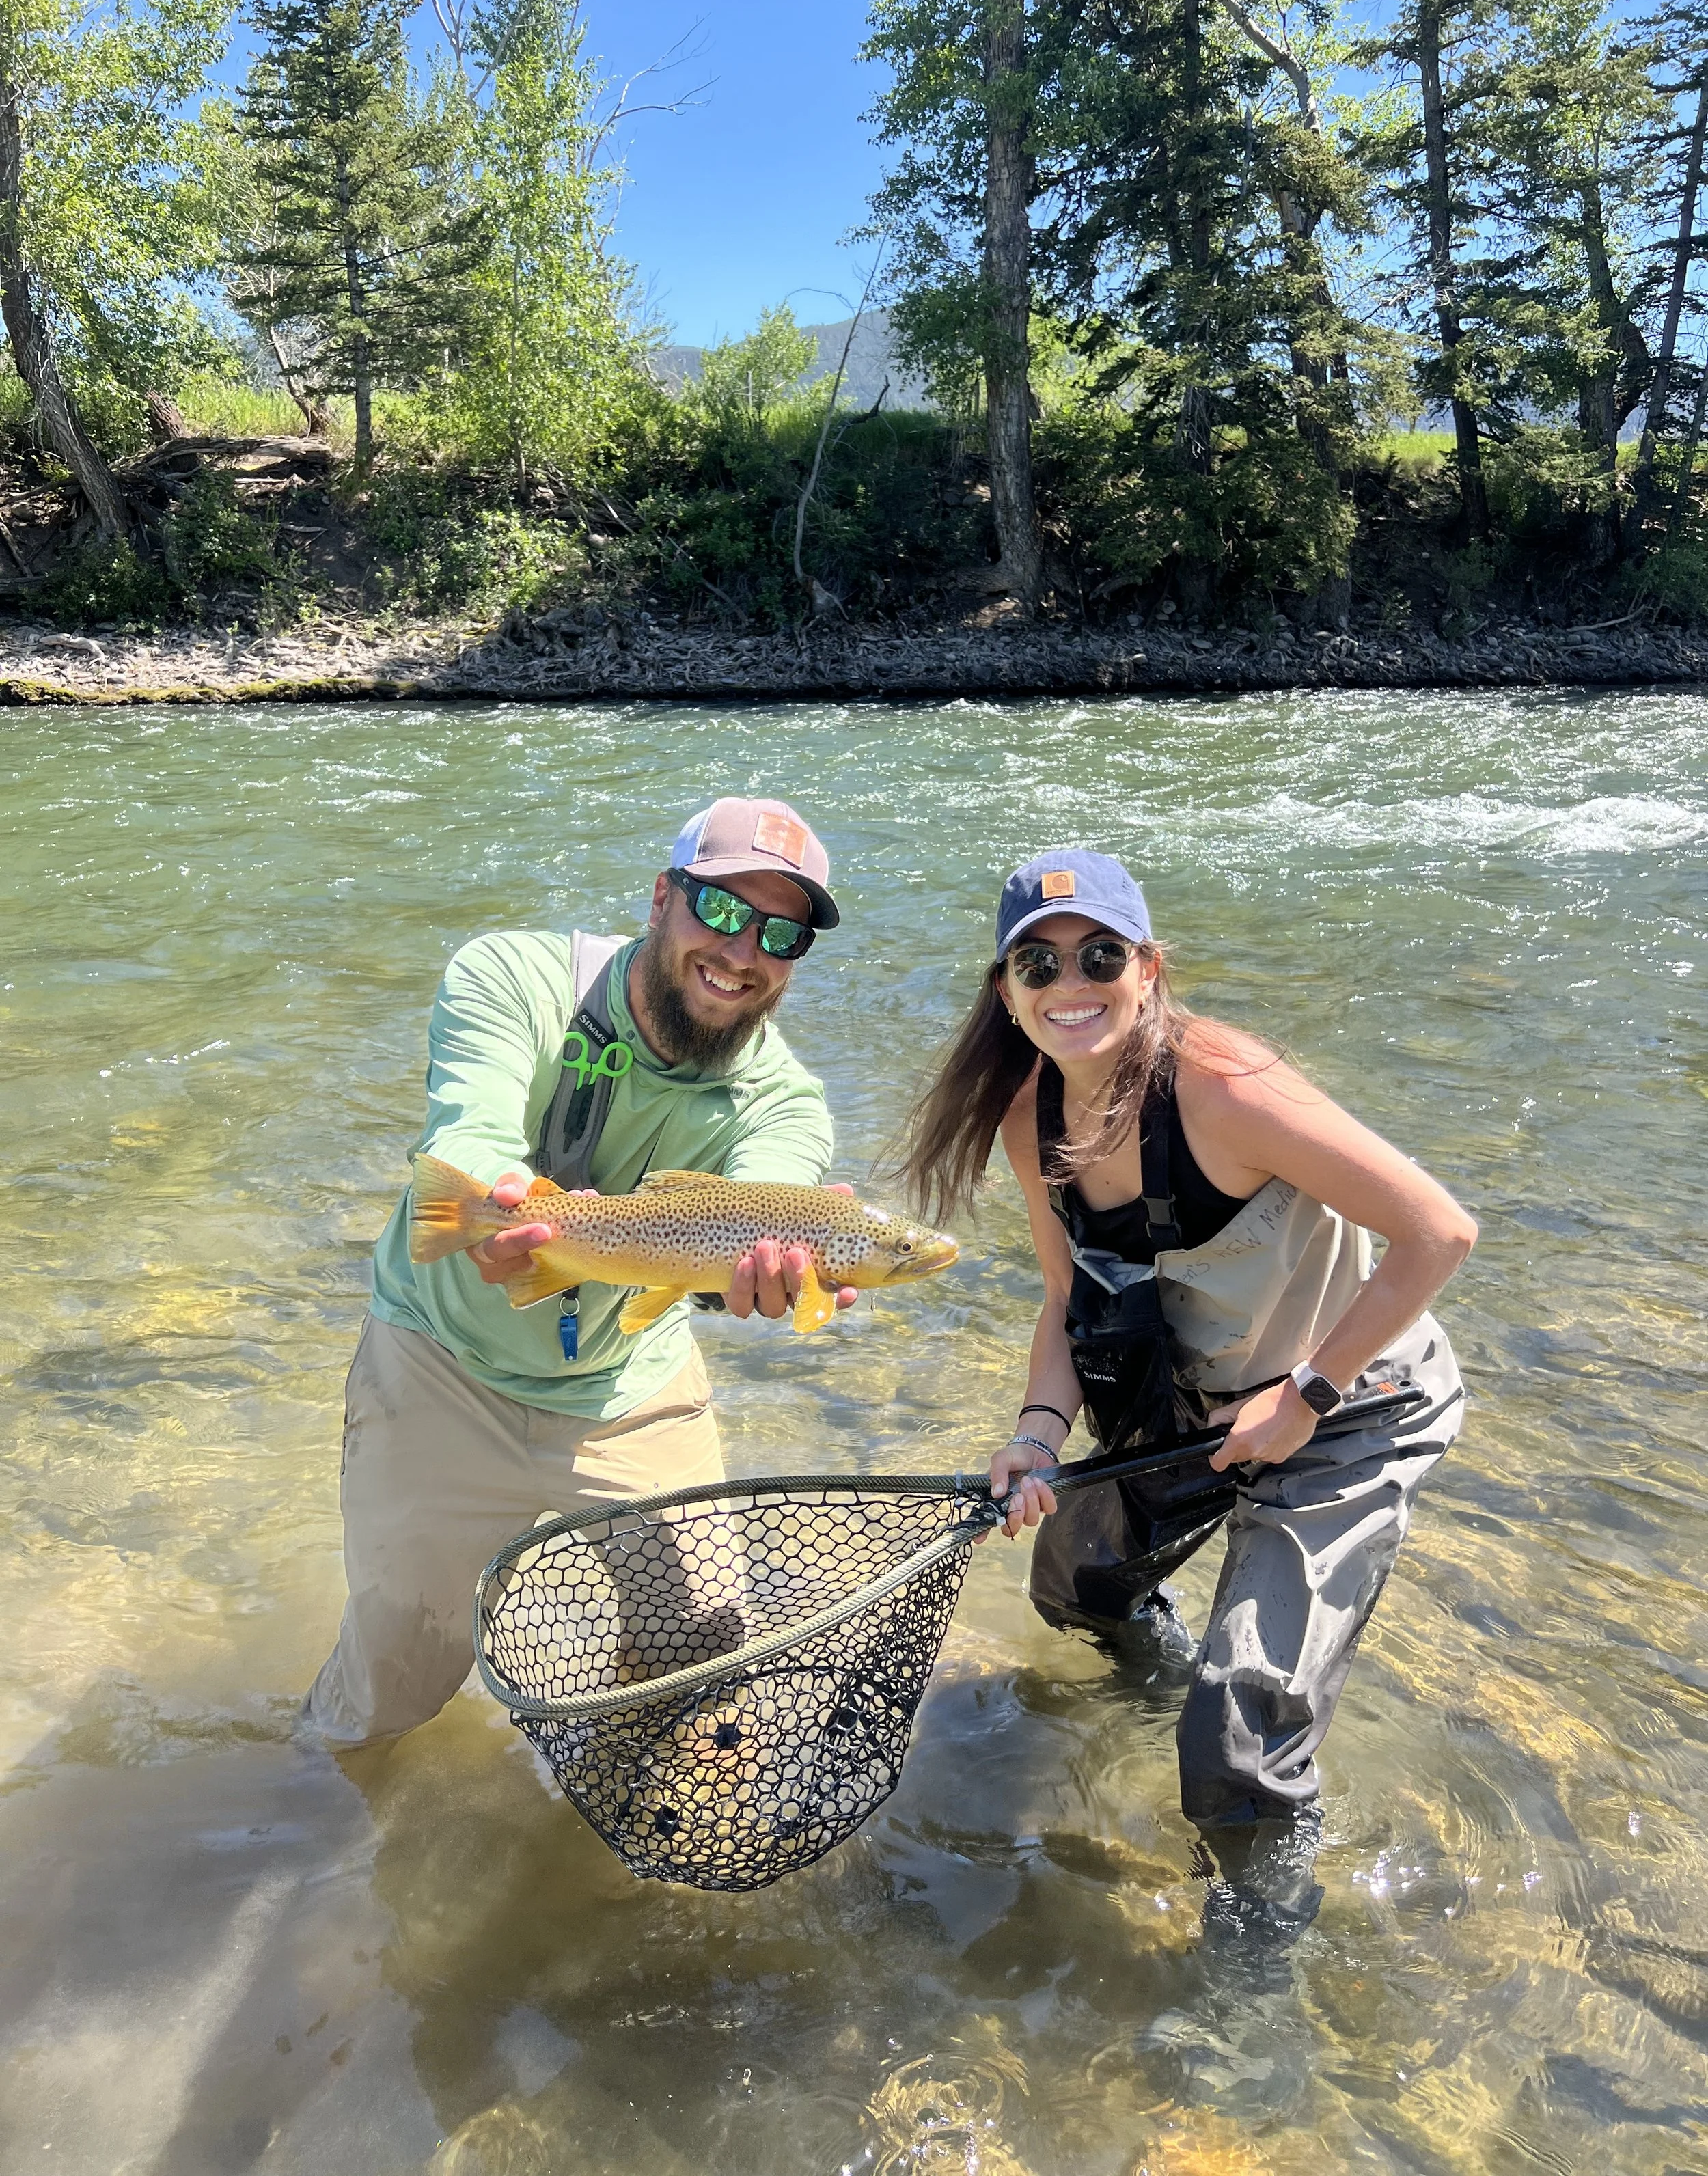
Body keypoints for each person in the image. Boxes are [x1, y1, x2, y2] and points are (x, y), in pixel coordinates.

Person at [905, 849, 1476, 1940]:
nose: (1070, 982)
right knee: (1074, 1587)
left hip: (1354, 1404)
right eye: (1038, 962)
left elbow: (1438, 1231)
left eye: (1100, 955)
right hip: (1197, 1402)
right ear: (1006, 991)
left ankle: (1250, 1971)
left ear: (1148, 969)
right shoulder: (1033, 1121)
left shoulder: (1224, 1087)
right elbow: (1068, 1300)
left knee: (1242, 1730)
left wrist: (1308, 1393)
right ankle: (1159, 1699)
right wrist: (1033, 1436)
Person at [303, 795, 855, 1747]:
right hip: (444, 1365)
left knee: (699, 1655)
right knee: (391, 1692)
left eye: (780, 935)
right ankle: (304, 1828)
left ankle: (621, 1848)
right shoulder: (513, 973)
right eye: (721, 911)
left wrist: (766, 1273)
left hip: (626, 1387)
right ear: (660, 899)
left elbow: (773, 1201)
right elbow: (469, 1123)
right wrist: (492, 1194)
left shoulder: (786, 1105)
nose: (741, 952)